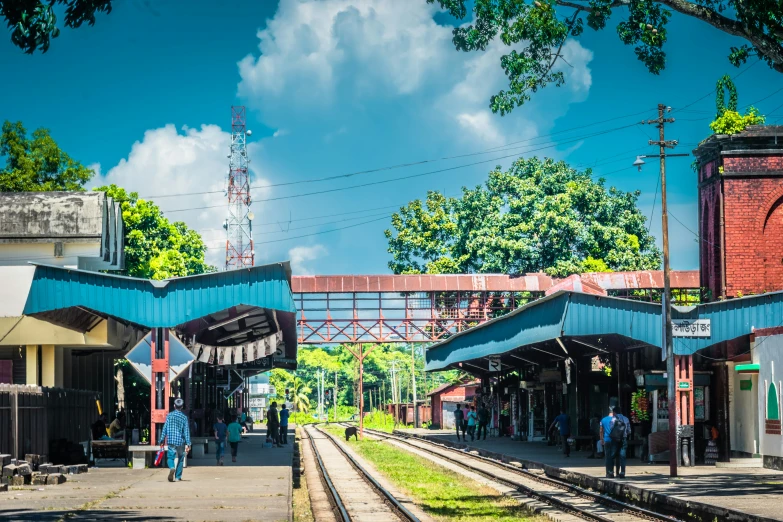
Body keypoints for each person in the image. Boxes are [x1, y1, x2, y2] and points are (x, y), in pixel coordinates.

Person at [160, 398, 191, 482]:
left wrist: (162, 440)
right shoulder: (184, 417)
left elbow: (165, 428)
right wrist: (188, 443)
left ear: (174, 406)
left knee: (170, 457)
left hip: (171, 440)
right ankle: (177, 477)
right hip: (180, 441)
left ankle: (172, 467)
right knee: (181, 458)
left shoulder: (169, 416)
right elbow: (186, 431)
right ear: (182, 407)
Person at [611, 406, 631, 477]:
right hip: (623, 439)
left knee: (613, 455)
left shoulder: (613, 419)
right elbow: (629, 431)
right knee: (622, 456)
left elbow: (611, 429)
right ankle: (622, 472)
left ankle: (612, 472)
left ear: (614, 412)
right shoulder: (626, 419)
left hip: (615, 439)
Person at [599, 407, 616, 478]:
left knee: (607, 456)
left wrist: (601, 439)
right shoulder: (616, 419)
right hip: (615, 440)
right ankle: (613, 471)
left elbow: (601, 431)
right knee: (613, 456)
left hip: (606, 440)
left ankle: (608, 472)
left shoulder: (603, 420)